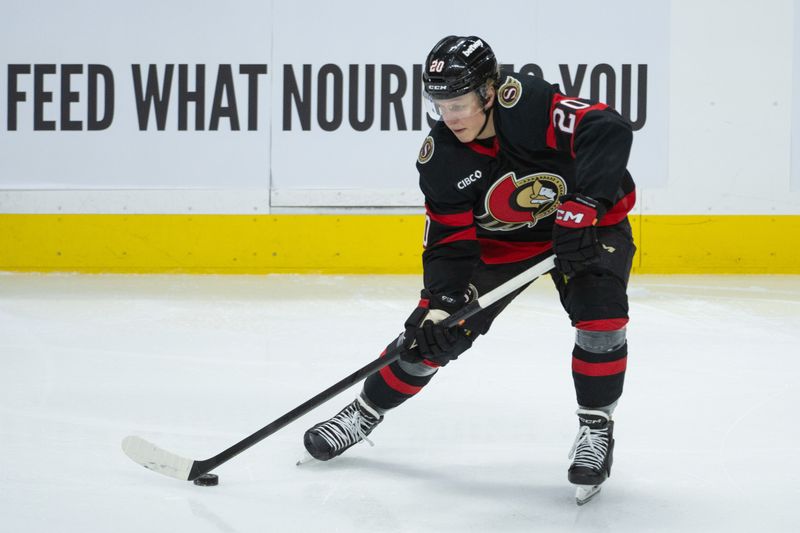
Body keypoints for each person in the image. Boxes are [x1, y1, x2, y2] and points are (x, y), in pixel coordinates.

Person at [302, 35, 636, 504]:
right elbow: (448, 241)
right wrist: (440, 304)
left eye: (459, 102)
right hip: (500, 249)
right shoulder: (441, 157)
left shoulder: (530, 104)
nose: (450, 116)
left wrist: (586, 204)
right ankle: (364, 411)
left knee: (602, 318)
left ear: (489, 90)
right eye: (440, 105)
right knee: (431, 338)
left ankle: (596, 428)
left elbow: (608, 128)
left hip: (585, 226)